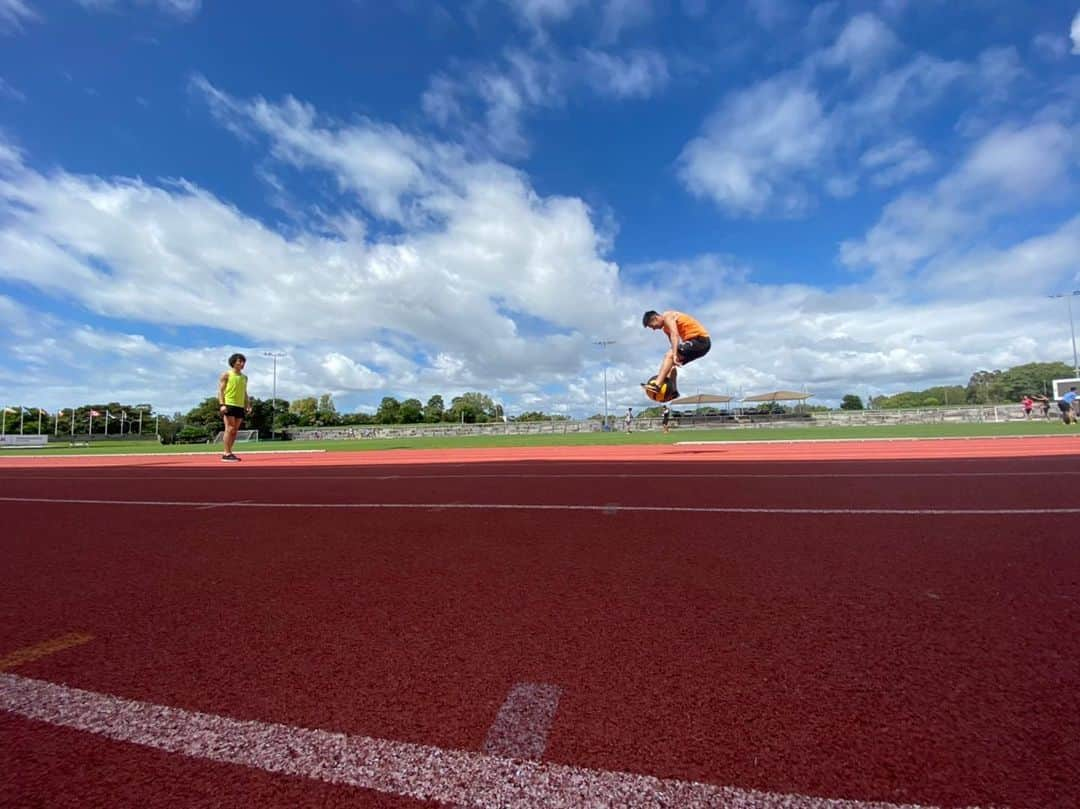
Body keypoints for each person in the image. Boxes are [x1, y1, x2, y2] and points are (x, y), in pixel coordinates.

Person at [642, 310, 711, 399]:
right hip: (699, 346)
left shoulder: (668, 316)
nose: (654, 329)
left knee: (670, 356)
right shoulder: (665, 329)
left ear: (656, 318)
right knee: (670, 366)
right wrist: (675, 356)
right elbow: (673, 343)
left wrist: (674, 354)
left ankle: (657, 385)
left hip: (701, 340)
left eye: (652, 326)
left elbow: (675, 335)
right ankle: (674, 391)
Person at [218, 353, 252, 461]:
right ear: (233, 363)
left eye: (243, 362)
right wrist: (222, 404)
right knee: (230, 428)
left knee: (235, 431)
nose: (242, 364)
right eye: (239, 361)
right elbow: (221, 391)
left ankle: (229, 452)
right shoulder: (226, 375)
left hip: (240, 406)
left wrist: (248, 404)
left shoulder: (244, 377)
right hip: (229, 404)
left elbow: (245, 392)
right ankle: (226, 453)